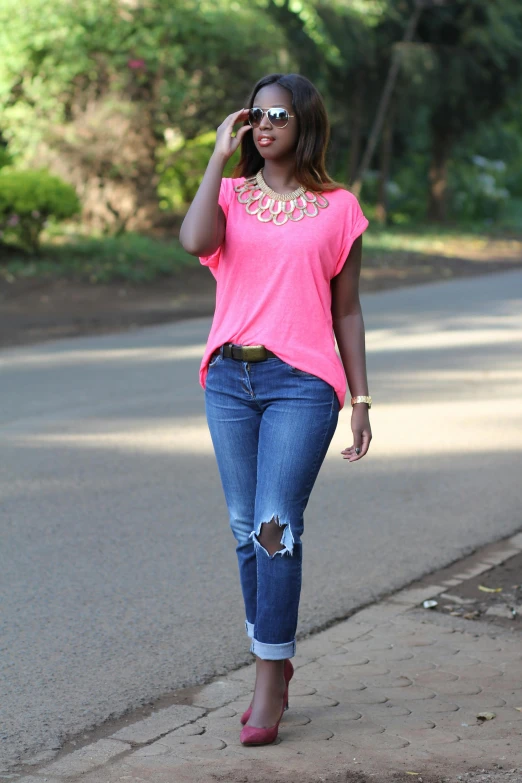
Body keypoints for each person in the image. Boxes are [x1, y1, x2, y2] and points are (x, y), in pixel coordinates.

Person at [179, 72, 372, 746]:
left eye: (278, 115)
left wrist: (361, 397)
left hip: (302, 383)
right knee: (243, 527)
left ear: (305, 123)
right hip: (230, 378)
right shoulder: (229, 195)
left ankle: (267, 676)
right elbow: (194, 241)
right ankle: (276, 654)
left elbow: (346, 309)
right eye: (254, 115)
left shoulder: (340, 208)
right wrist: (214, 157)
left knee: (273, 524)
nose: (263, 125)